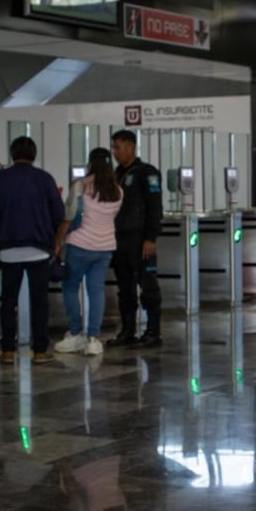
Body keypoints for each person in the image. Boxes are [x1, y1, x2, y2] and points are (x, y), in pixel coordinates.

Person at [0, 136, 64, 365]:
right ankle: (39, 351)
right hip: (39, 251)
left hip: (8, 251)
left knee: (8, 302)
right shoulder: (45, 179)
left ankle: (8, 350)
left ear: (12, 155)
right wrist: (56, 244)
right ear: (34, 155)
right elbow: (59, 215)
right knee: (39, 301)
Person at [54, 148, 124, 356]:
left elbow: (68, 216)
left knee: (70, 286)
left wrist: (58, 242)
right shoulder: (118, 191)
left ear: (90, 164)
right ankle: (94, 339)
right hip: (105, 248)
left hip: (80, 245)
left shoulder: (81, 186)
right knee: (96, 291)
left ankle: (75, 334)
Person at [108, 130, 164, 348]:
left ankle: (152, 331)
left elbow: (154, 207)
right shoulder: (116, 175)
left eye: (118, 148)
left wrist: (151, 237)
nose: (115, 152)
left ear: (131, 147)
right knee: (125, 288)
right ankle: (128, 330)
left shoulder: (146, 173)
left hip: (140, 240)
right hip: (119, 240)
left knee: (148, 286)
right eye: (113, 148)